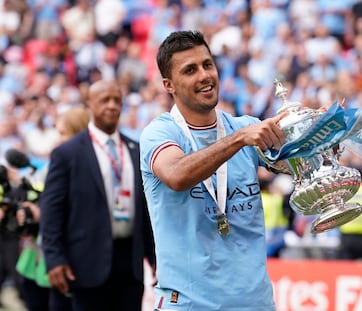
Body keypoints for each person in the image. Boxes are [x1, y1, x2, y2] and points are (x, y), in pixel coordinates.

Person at [140, 30, 286, 311]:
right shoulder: (160, 133)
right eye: (190, 70)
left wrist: (318, 134)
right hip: (189, 305)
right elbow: (177, 175)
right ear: (168, 84)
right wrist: (239, 139)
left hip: (255, 304)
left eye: (208, 65)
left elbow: (293, 163)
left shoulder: (244, 125)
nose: (204, 75)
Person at [40, 80, 156, 311]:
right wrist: (54, 259)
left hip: (130, 264)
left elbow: (146, 210)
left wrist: (154, 257)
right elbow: (52, 210)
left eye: (117, 101)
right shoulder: (68, 153)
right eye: (105, 100)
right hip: (86, 262)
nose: (112, 106)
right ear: (89, 106)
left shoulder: (135, 149)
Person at [15, 106, 90, 311]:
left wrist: (43, 213)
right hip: (36, 255)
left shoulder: (86, 168)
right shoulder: (53, 163)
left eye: (62, 133)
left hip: (64, 258)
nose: (57, 140)